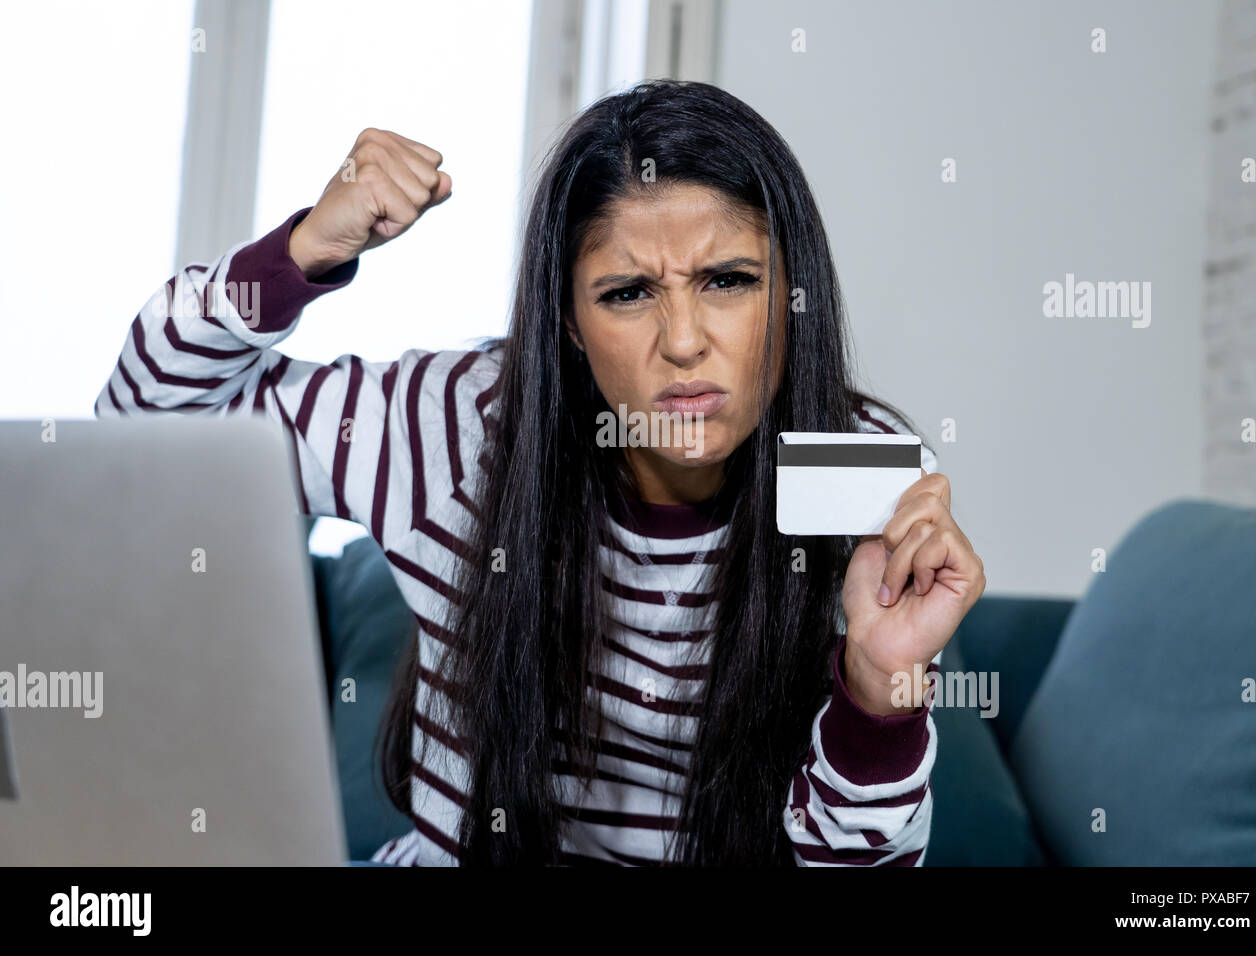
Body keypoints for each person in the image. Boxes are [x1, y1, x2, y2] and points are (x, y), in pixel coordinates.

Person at [96, 79, 985, 866]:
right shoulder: (456, 425)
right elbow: (145, 435)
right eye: (627, 293)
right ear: (565, 320)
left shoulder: (862, 485)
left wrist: (880, 688)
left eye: (728, 280)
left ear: (793, 298)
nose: (683, 342)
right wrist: (300, 255)